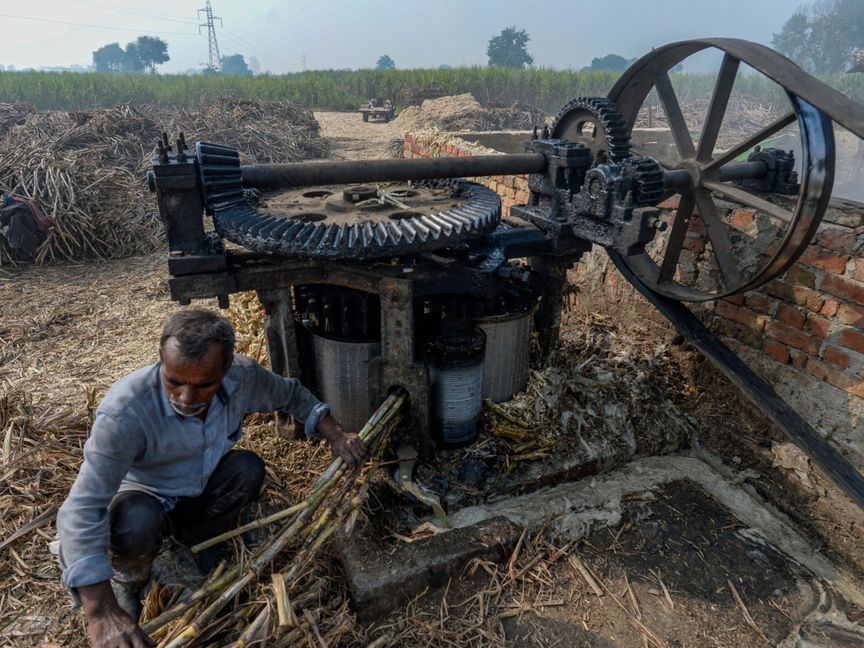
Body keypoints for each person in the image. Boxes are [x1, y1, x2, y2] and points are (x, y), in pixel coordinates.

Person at [56, 309, 366, 648]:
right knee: (137, 522)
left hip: (198, 488)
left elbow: (291, 395)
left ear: (226, 368)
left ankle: (202, 543)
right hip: (145, 497)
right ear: (161, 361)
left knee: (247, 469)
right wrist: (100, 611)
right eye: (173, 382)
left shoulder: (243, 377)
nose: (186, 399)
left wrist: (335, 433)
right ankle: (130, 577)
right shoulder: (125, 411)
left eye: (204, 385)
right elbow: (82, 508)